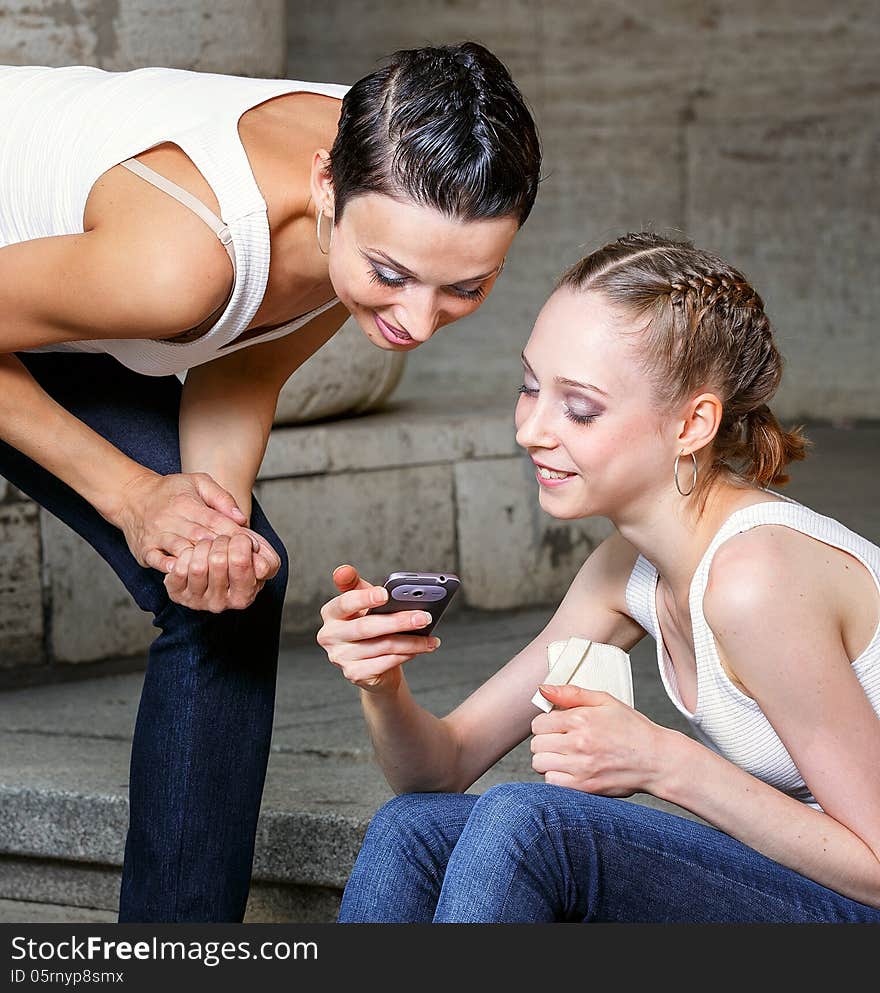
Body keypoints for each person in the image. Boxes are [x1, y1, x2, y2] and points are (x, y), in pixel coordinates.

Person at [0, 43, 541, 922]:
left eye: (465, 289)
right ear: (325, 184)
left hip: (55, 291)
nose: (416, 320)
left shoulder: (392, 163)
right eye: (391, 278)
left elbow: (239, 368)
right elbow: (201, 297)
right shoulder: (177, 262)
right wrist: (135, 497)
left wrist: (210, 529)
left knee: (232, 582)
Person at [317, 231, 880, 923]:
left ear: (692, 423)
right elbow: (440, 768)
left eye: (579, 407)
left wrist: (663, 762)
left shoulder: (753, 578)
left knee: (531, 824)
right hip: (800, 879)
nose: (532, 429)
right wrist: (382, 684)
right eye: (529, 387)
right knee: (413, 827)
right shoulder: (626, 569)